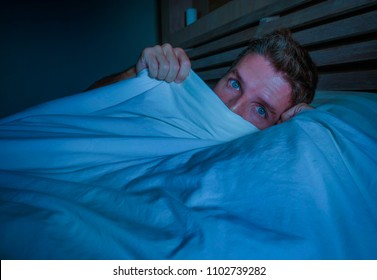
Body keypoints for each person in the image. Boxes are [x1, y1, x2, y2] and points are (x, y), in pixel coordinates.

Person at [88, 29, 318, 130]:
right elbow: (79, 109)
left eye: (260, 110)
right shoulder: (173, 101)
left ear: (279, 124)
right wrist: (133, 77)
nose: (232, 108)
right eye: (235, 84)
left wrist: (313, 128)